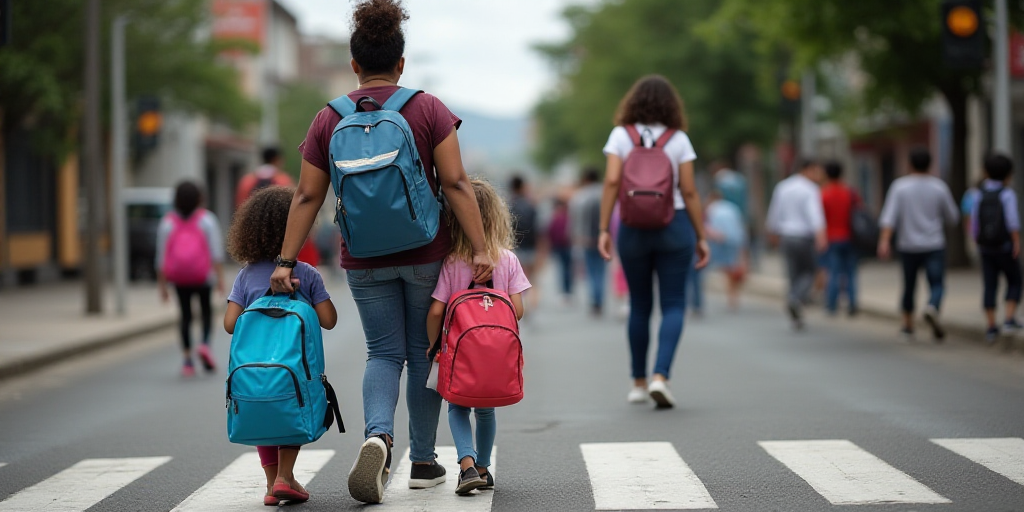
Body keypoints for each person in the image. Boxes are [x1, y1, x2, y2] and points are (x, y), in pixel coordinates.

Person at [268, 0, 494, 504]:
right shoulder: (428, 108)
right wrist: (480, 249)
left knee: (382, 352)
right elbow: (455, 183)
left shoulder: (328, 119)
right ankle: (422, 461)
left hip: (363, 258)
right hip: (425, 250)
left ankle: (378, 436)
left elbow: (307, 195)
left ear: (354, 65)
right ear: (401, 62)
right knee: (423, 354)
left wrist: (285, 262)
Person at [598, 75, 710, 409]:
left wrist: (604, 228)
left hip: (633, 227)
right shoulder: (679, 139)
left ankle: (638, 383)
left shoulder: (621, 135)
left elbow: (612, 180)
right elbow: (689, 191)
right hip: (674, 225)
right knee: (674, 303)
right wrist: (701, 235)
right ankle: (661, 376)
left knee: (640, 305)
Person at [223, 186, 338, 506]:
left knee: (264, 408)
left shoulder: (246, 276)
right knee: (292, 404)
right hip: (293, 366)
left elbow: (231, 324)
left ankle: (273, 482)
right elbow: (329, 320)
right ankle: (286, 477)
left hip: (254, 369)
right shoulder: (306, 274)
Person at [425, 179, 530, 495]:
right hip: (496, 355)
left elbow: (435, 312)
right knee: (487, 410)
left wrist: (434, 345)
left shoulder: (453, 261)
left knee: (457, 406)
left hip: (460, 352)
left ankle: (466, 464)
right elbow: (518, 310)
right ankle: (484, 468)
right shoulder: (507, 259)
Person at [878, 148, 959, 340]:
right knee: (937, 282)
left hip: (908, 245)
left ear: (909, 164)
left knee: (909, 285)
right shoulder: (939, 187)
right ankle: (932, 306)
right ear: (930, 164)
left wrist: (884, 241)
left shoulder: (900, 187)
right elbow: (952, 217)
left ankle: (907, 325)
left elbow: (889, 218)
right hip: (934, 244)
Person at [156, 181, 225, 377]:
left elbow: (161, 257)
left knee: (185, 316)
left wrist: (162, 287)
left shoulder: (167, 223)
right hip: (203, 276)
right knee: (205, 312)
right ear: (199, 198)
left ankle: (187, 360)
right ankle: (204, 345)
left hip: (179, 278)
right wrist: (220, 279)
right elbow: (216, 253)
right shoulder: (207, 220)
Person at [766, 160, 827, 330]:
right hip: (804, 236)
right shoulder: (810, 189)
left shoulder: (783, 187)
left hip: (786, 235)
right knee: (809, 271)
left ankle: (795, 313)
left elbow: (775, 212)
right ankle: (796, 299)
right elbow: (815, 214)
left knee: (793, 274)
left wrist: (772, 232)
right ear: (807, 169)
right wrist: (821, 236)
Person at [969, 153, 1022, 342]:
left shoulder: (978, 194)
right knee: (1014, 280)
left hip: (986, 248)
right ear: (1009, 174)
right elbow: (1012, 221)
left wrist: (976, 241)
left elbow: (974, 222)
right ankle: (1009, 319)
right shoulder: (1007, 194)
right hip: (1005, 246)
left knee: (989, 285)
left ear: (985, 172)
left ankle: (991, 326)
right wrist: (1016, 242)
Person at [820, 160, 861, 316]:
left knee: (833, 272)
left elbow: (819, 218)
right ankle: (852, 304)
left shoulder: (824, 194)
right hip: (850, 237)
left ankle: (831, 305)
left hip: (831, 238)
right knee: (851, 272)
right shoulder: (850, 192)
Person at [570, 167, 607, 316]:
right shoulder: (604, 193)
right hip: (603, 238)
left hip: (585, 239)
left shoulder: (579, 197)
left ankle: (594, 300)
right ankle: (599, 299)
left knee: (591, 271)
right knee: (602, 271)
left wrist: (575, 238)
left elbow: (574, 221)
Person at [705, 189, 747, 310]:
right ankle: (733, 295)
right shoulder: (732, 207)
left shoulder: (712, 209)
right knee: (732, 267)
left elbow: (710, 227)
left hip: (720, 240)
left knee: (720, 268)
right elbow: (740, 225)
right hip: (735, 240)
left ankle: (730, 294)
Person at [508, 174, 541, 310]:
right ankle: (532, 305)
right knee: (532, 279)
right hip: (532, 247)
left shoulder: (508, 205)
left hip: (515, 248)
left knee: (517, 281)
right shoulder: (531, 205)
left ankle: (523, 306)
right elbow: (538, 228)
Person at [547, 197, 574, 303]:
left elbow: (550, 232)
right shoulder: (566, 217)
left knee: (564, 269)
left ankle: (566, 291)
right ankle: (567, 291)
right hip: (562, 246)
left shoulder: (557, 218)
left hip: (563, 246)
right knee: (565, 269)